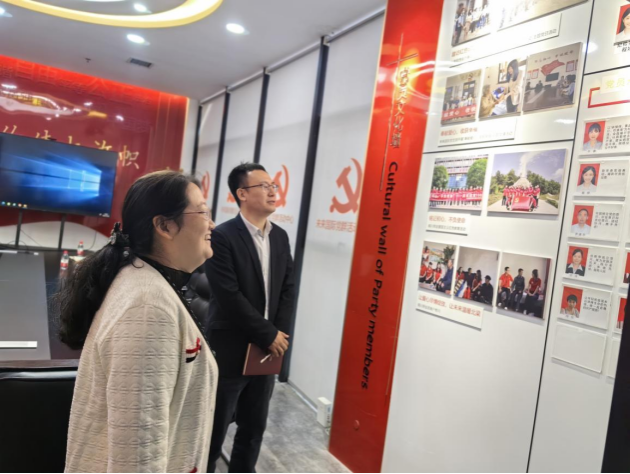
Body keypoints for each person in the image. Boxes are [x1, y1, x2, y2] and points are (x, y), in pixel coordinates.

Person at [58, 171, 218, 473]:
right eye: (203, 212)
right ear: (165, 226)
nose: (212, 224)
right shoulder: (148, 309)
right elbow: (137, 459)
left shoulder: (147, 281)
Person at [204, 163, 295, 473]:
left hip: (267, 351)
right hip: (231, 348)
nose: (273, 191)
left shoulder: (280, 237)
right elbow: (228, 296)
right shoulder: (222, 236)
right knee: (213, 433)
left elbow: (288, 290)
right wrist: (268, 334)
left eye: (274, 186)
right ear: (242, 194)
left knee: (253, 431)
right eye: (264, 186)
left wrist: (279, 335)